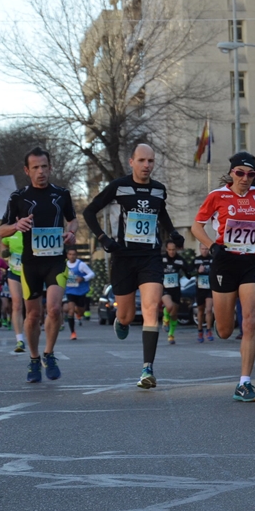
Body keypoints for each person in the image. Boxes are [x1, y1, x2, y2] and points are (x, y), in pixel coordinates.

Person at [83, 143, 183, 390]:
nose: (147, 165)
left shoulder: (159, 190)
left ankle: (147, 369)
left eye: (150, 161)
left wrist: (172, 233)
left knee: (151, 307)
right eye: (141, 161)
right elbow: (89, 212)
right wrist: (103, 238)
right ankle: (122, 320)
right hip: (124, 257)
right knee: (126, 315)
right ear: (131, 162)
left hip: (150, 256)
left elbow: (162, 214)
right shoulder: (119, 187)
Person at [191, 151, 255, 402]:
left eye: (251, 174)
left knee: (250, 321)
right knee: (225, 329)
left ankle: (244, 383)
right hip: (224, 263)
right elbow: (197, 226)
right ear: (231, 173)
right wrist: (212, 245)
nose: (245, 178)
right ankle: (224, 328)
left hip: (251, 262)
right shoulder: (217, 196)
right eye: (240, 173)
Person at [0, 146, 78, 383]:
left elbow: (73, 220)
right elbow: (1, 230)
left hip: (56, 261)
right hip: (31, 263)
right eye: (35, 167)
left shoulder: (62, 194)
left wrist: (71, 232)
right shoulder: (18, 197)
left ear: (50, 167)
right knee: (32, 315)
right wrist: (16, 225)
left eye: (44, 166)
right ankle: (34, 358)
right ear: (27, 170)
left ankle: (49, 353)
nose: (41, 172)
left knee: (54, 309)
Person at [1, 232, 26, 352]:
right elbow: (3, 242)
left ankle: (32, 334)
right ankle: (19, 340)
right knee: (16, 304)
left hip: (31, 273)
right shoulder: (11, 232)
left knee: (32, 307)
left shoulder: (34, 229)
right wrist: (5, 252)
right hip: (14, 273)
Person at [161, 239, 190, 344]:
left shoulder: (180, 260)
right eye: (170, 250)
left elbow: (188, 272)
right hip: (165, 289)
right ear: (166, 249)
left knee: (174, 314)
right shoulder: (162, 259)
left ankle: (171, 335)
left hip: (176, 289)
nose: (172, 252)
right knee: (169, 306)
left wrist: (191, 272)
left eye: (173, 250)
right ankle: (165, 318)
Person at [64, 248, 95, 340]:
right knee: (70, 311)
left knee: (81, 311)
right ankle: (73, 332)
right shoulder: (64, 265)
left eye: (74, 254)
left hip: (80, 291)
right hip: (69, 290)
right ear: (67, 255)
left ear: (76, 255)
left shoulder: (81, 265)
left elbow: (91, 274)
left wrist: (83, 278)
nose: (72, 256)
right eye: (70, 254)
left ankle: (79, 313)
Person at [193, 244, 214, 342]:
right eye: (203, 249)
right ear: (200, 249)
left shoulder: (213, 259)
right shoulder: (196, 260)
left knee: (209, 309)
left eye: (206, 249)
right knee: (200, 311)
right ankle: (200, 330)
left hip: (209, 288)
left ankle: (209, 330)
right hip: (200, 289)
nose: (205, 251)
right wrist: (197, 271)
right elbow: (189, 272)